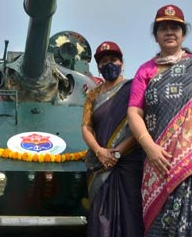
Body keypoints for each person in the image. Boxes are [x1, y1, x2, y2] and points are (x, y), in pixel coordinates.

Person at [127, 4, 192, 237]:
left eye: (175, 27)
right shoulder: (146, 71)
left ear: (183, 33)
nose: (169, 32)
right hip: (158, 161)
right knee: (157, 223)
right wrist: (149, 147)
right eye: (163, 28)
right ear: (155, 35)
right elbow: (134, 112)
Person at [82, 41, 144, 237]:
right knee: (101, 219)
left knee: (131, 216)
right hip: (101, 164)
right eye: (104, 61)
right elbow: (86, 127)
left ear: (122, 63)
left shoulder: (134, 88)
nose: (109, 64)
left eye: (114, 60)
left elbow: (141, 126)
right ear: (98, 67)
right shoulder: (93, 95)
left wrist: (118, 152)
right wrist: (100, 151)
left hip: (129, 163)